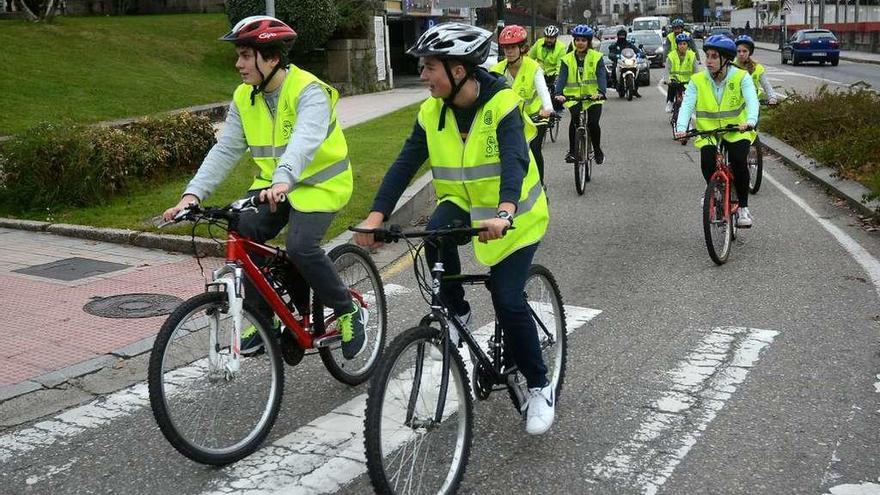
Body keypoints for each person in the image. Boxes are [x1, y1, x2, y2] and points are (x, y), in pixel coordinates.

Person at [353, 22, 555, 435]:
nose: (423, 75)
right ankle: (457, 310)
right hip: (464, 205)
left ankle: (539, 385)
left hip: (515, 217)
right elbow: (404, 164)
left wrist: (505, 210)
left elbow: (515, 159)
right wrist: (377, 217)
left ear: (459, 69)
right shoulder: (431, 113)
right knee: (434, 237)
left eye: (429, 67)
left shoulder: (502, 103)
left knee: (507, 297)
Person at [162, 16, 367, 359]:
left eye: (245, 55)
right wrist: (192, 194)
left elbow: (303, 141)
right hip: (271, 188)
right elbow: (226, 148)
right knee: (241, 229)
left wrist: (284, 178)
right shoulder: (245, 97)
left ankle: (348, 309)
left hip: (320, 185)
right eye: (239, 55)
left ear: (271, 58)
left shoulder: (309, 90)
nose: (238, 64)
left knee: (301, 246)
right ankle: (266, 318)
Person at [674, 35, 759, 227]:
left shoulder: (741, 77)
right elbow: (687, 105)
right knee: (707, 162)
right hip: (708, 131)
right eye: (707, 56)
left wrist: (751, 120)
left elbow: (752, 101)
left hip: (737, 129)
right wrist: (681, 127)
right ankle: (714, 190)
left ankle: (744, 208)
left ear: (725, 60)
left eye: (714, 57)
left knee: (738, 161)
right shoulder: (697, 80)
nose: (709, 61)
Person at [492, 25, 555, 185]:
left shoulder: (533, 67)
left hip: (535, 117)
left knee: (534, 149)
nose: (509, 51)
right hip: (509, 119)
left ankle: (540, 185)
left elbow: (543, 90)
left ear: (522, 48)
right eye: (506, 48)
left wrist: (548, 108)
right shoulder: (497, 70)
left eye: (513, 47)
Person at [555, 24, 607, 165]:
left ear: (588, 42)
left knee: (593, 123)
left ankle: (597, 149)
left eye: (583, 40)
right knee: (575, 120)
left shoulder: (596, 57)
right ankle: (572, 152)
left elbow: (601, 76)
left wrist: (601, 92)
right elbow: (562, 78)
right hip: (574, 97)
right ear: (574, 41)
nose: (580, 43)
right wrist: (558, 93)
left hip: (593, 97)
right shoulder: (567, 59)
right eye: (577, 40)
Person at [734, 35, 779, 104]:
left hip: (752, 104)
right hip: (734, 105)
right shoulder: (730, 66)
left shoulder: (757, 68)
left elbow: (766, 85)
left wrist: (772, 97)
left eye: (745, 51)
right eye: (738, 51)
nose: (741, 54)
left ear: (750, 52)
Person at [528, 25, 566, 102]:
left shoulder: (561, 47)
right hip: (539, 72)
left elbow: (560, 65)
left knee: (555, 98)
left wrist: (557, 79)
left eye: (551, 38)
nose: (549, 40)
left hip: (553, 75)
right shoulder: (539, 43)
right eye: (547, 37)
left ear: (556, 38)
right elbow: (530, 57)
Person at [663, 32, 698, 113]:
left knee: (691, 96)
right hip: (675, 80)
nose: (682, 46)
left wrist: (696, 82)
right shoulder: (671, 56)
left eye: (684, 44)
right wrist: (666, 80)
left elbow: (696, 71)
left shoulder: (692, 56)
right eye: (680, 44)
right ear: (677, 45)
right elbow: (666, 70)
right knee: (671, 87)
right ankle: (670, 102)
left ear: (687, 45)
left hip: (687, 81)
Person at [608, 28, 642, 97]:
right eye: (620, 36)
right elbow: (611, 53)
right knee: (614, 68)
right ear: (618, 36)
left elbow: (637, 50)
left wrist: (639, 54)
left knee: (638, 70)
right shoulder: (614, 45)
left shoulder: (629, 44)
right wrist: (614, 55)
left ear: (625, 36)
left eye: (623, 35)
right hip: (619, 62)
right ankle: (615, 83)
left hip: (629, 61)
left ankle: (635, 90)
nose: (622, 37)